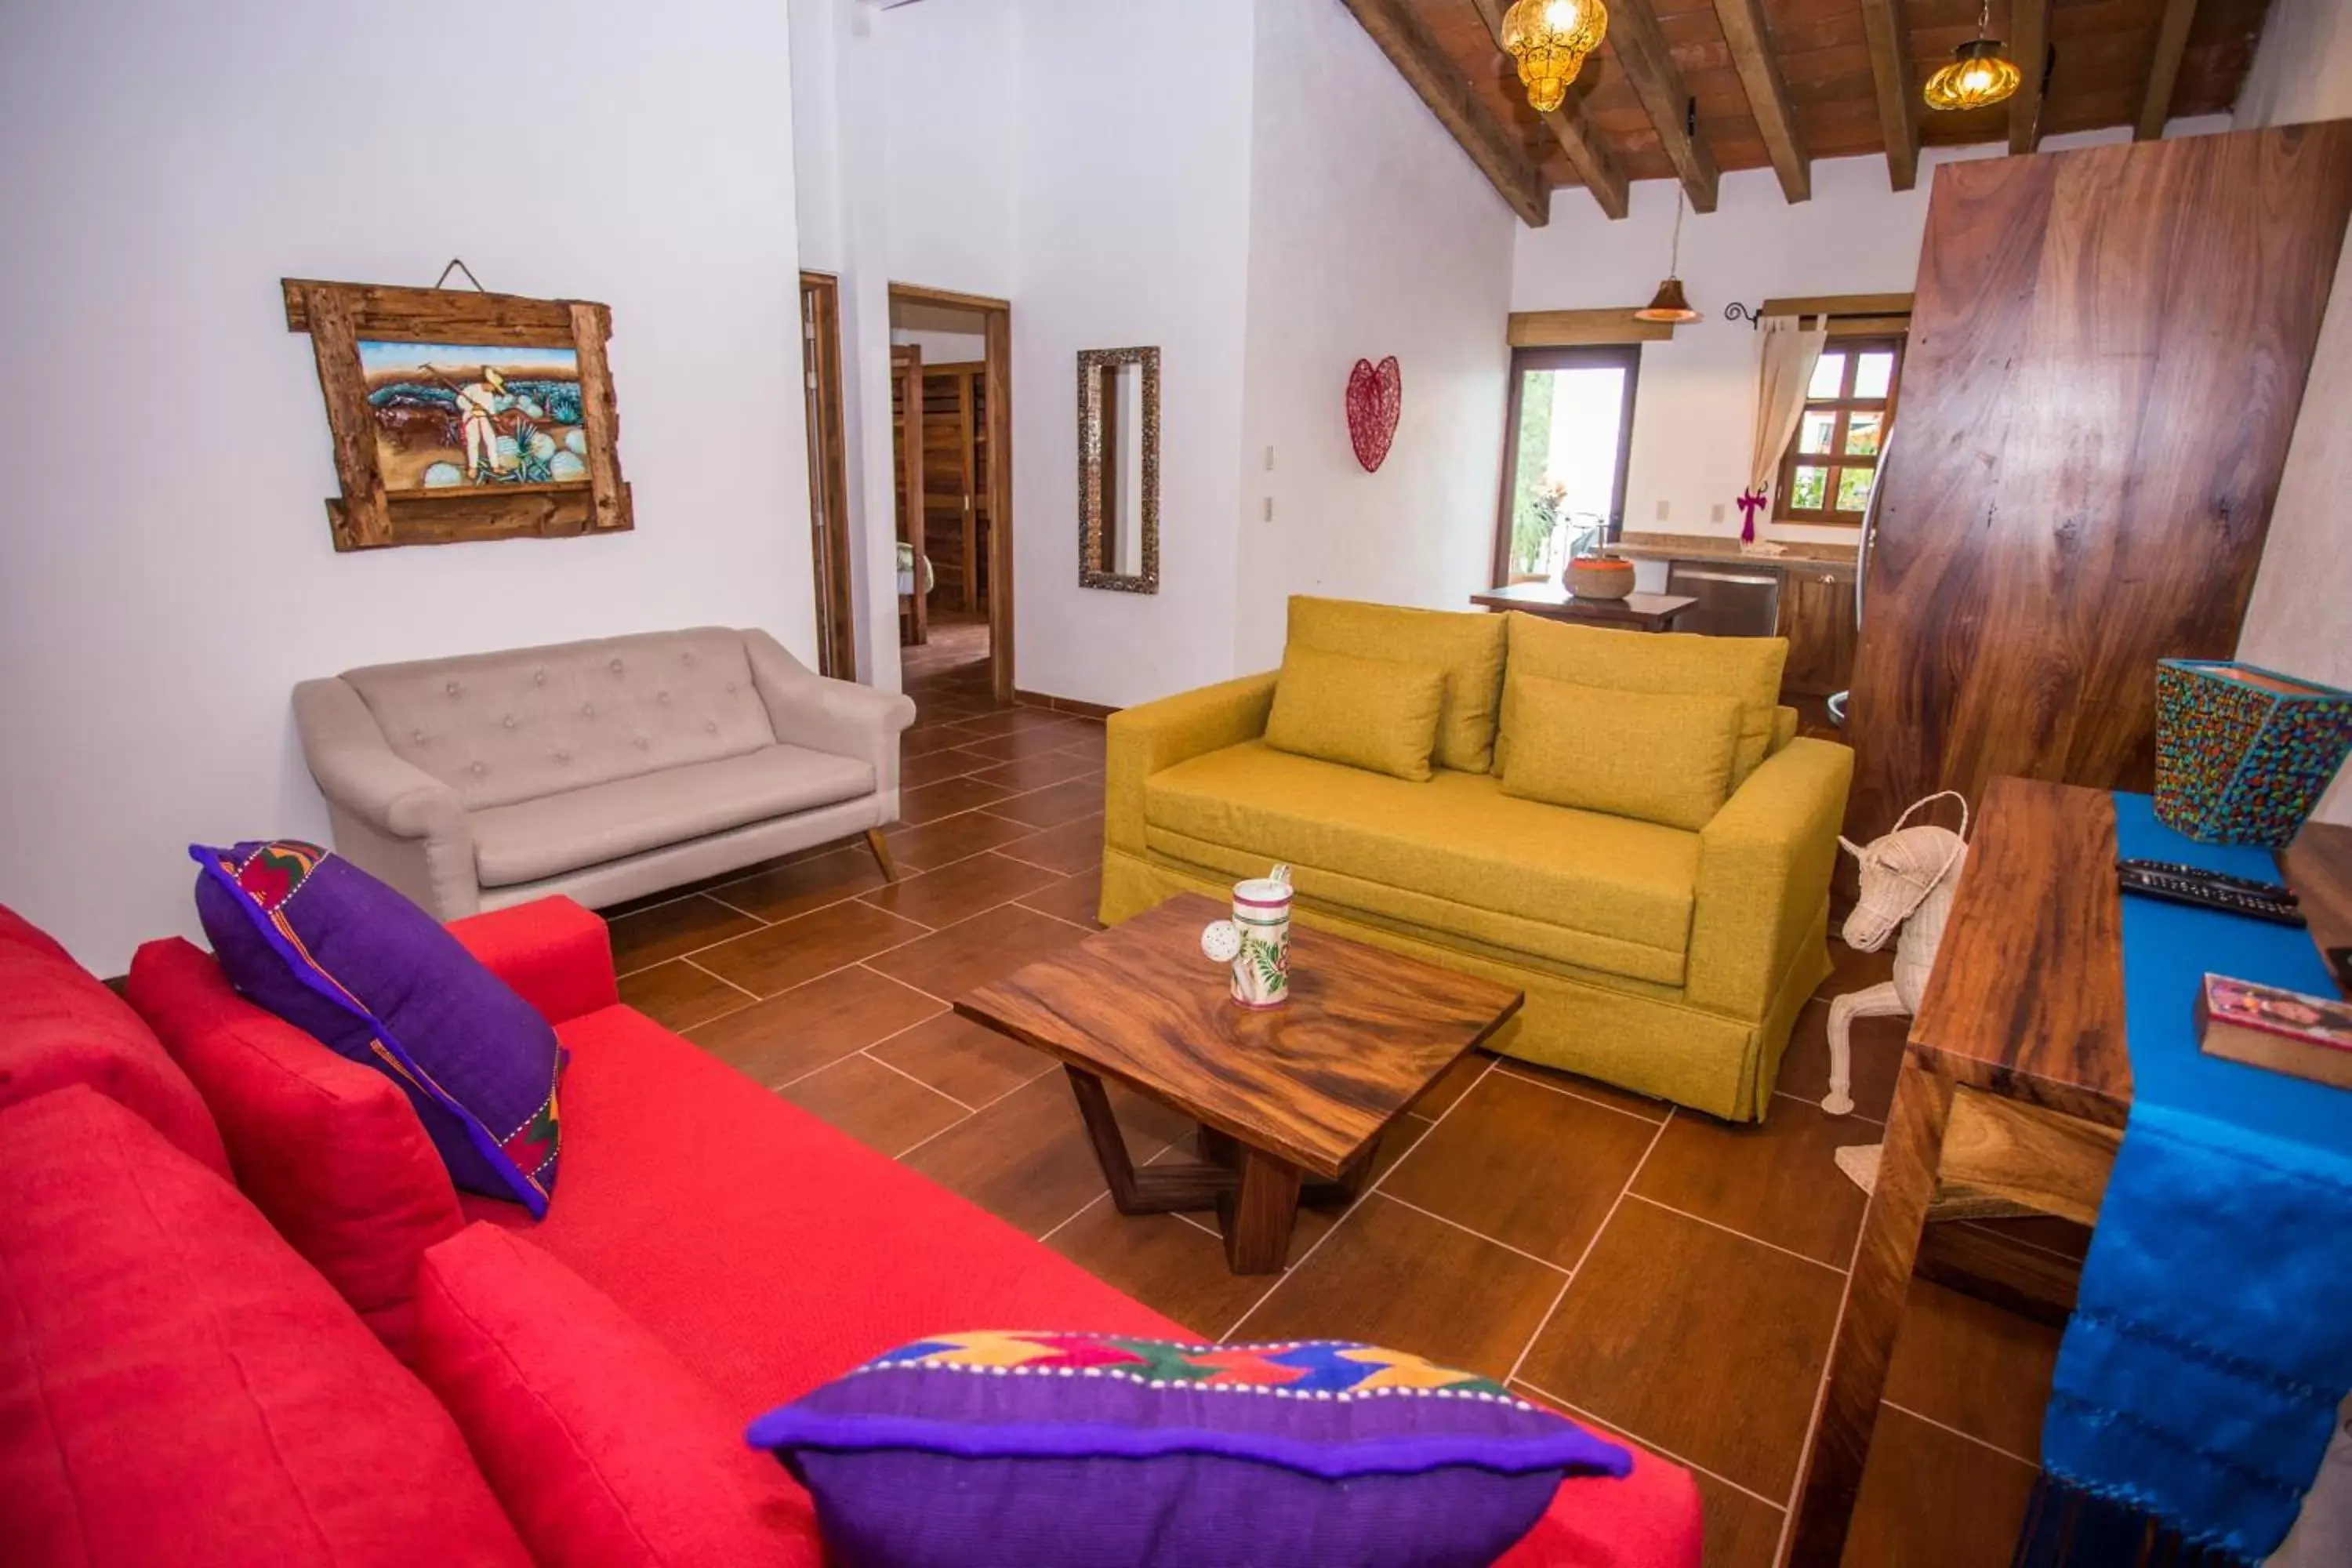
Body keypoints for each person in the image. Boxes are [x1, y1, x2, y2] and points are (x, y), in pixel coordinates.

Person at [454, 365, 513, 483]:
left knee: (491, 441)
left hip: (484, 419)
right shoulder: (472, 389)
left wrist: (494, 416)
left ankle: (495, 466)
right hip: (472, 418)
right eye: (493, 386)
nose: (493, 390)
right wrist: (472, 407)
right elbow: (460, 401)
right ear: (488, 382)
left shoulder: (489, 395)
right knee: (473, 443)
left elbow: (490, 410)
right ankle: (473, 468)